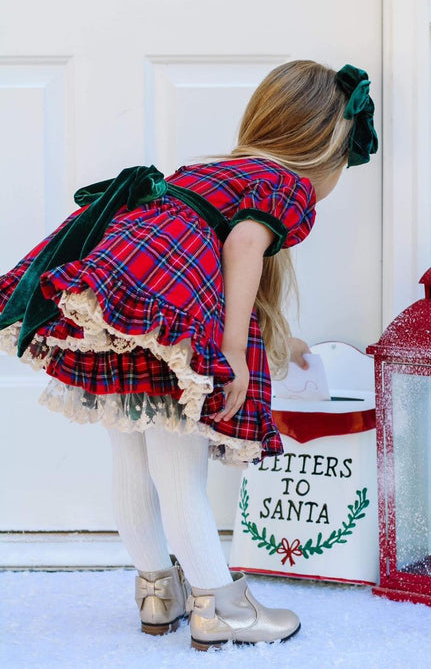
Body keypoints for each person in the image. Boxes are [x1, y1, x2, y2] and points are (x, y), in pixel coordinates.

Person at [0, 60, 378, 651]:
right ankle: (217, 606)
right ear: (324, 149)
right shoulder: (286, 184)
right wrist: (231, 352)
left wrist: (280, 343)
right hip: (173, 323)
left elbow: (215, 256)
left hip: (126, 305)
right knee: (179, 472)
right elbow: (245, 246)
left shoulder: (210, 169)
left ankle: (157, 590)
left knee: (130, 458)